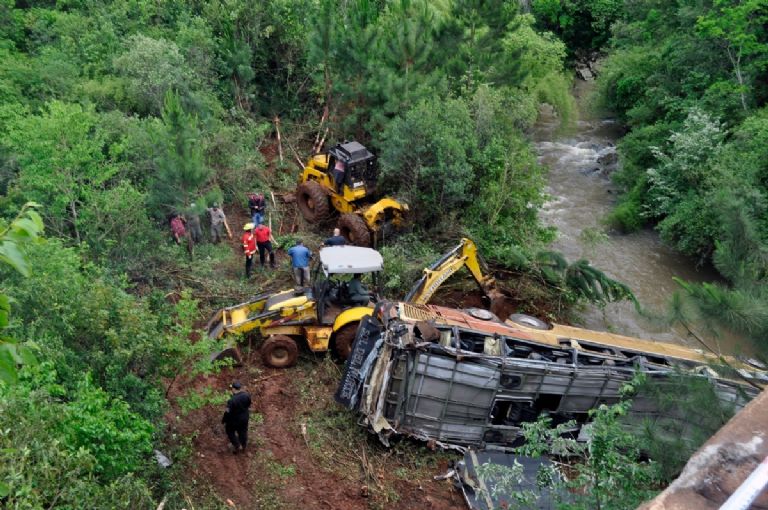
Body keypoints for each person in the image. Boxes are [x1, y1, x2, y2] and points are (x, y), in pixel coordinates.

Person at [221, 381, 251, 454]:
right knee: (243, 431)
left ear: (234, 389)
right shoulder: (247, 395)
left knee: (229, 431)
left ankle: (237, 445)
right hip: (245, 418)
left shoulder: (231, 401)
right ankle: (243, 445)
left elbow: (227, 412)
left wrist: (224, 420)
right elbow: (248, 404)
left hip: (234, 420)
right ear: (240, 388)